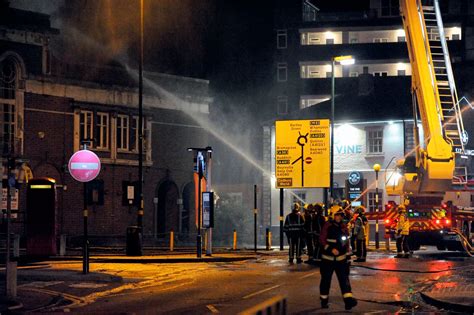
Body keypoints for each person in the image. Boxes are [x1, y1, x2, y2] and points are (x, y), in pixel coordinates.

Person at [319, 208, 358, 310]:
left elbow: (346, 243)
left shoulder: (343, 227)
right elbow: (322, 240)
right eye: (337, 215)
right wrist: (331, 249)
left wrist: (347, 256)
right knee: (326, 281)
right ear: (332, 215)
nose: (339, 217)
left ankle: (348, 301)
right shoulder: (327, 226)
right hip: (327, 260)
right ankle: (324, 301)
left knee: (344, 281)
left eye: (341, 215)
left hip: (341, 260)